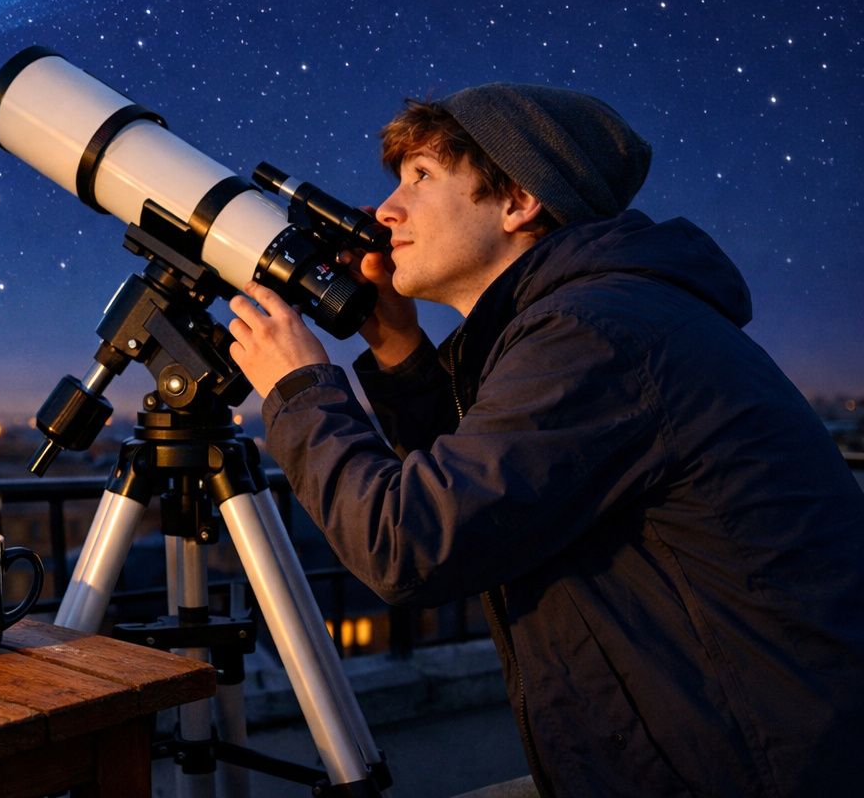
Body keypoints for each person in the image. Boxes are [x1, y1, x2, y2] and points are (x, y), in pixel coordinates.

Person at [226, 83, 864, 797]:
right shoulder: (592, 317)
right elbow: (489, 495)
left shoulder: (595, 334)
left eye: (423, 177)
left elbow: (408, 544)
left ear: (518, 201)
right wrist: (398, 345)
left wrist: (299, 388)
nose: (386, 210)